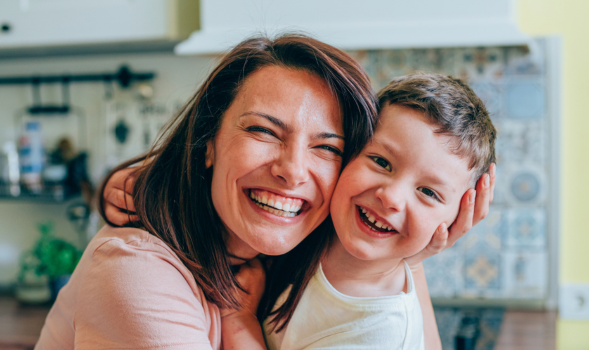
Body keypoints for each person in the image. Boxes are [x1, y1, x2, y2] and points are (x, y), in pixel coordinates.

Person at [37, 35, 495, 350]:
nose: (293, 170)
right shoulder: (137, 270)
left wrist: (405, 258)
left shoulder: (295, 248)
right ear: (207, 141)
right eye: (262, 130)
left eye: (326, 148)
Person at [254, 73, 496, 349]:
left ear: (456, 221)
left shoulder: (382, 334)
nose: (391, 197)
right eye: (381, 161)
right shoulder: (309, 225)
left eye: (428, 192)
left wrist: (237, 318)